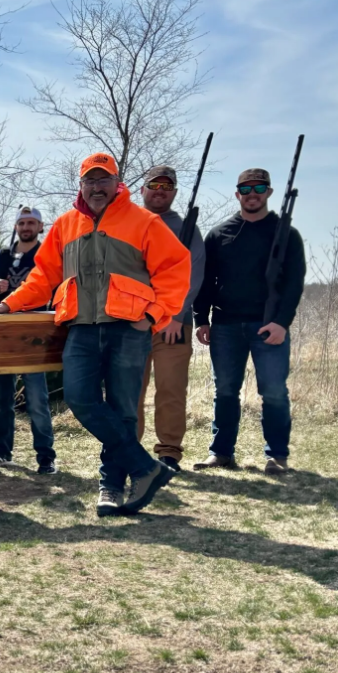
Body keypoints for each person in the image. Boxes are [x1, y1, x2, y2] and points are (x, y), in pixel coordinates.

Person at [0, 153, 190, 517]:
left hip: (129, 328)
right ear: (80, 186)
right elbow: (43, 277)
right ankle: (145, 468)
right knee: (80, 399)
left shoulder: (144, 221)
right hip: (80, 328)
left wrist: (153, 316)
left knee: (124, 410)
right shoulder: (66, 225)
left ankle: (111, 486)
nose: (97, 187)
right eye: (89, 181)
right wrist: (9, 305)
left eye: (103, 179)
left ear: (117, 182)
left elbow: (175, 269)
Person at [193, 167, 305, 475]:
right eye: (245, 189)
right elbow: (206, 281)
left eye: (258, 188)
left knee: (273, 391)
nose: (252, 194)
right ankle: (221, 453)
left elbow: (295, 283)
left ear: (269, 192)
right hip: (226, 326)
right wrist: (201, 319)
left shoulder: (286, 233)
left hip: (268, 325)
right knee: (225, 391)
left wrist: (282, 323)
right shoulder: (219, 234)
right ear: (237, 194)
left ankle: (277, 456)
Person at [134, 167, 206, 471]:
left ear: (175, 192)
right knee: (128, 390)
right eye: (154, 184)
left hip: (172, 325)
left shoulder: (187, 229)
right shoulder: (128, 224)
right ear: (143, 189)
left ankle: (169, 453)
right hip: (131, 322)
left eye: (167, 186)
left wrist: (177, 314)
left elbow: (194, 273)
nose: (160, 190)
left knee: (171, 390)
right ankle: (127, 450)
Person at [0, 205, 56, 474]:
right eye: (22, 223)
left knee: (37, 398)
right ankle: (1, 451)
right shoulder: (0, 258)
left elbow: (55, 288)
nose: (26, 227)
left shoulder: (46, 256)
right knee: (2, 400)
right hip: (4, 336)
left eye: (31, 223)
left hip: (34, 336)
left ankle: (46, 456)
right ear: (16, 226)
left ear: (40, 227)